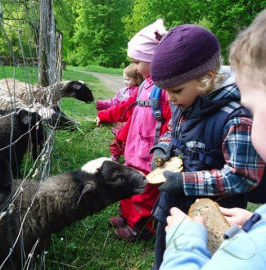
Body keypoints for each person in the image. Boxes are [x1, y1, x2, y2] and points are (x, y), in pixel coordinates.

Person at [148, 23, 266, 269]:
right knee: (165, 256)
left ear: (207, 78)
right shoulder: (184, 102)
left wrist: (184, 182)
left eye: (176, 90)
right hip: (174, 208)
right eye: (166, 91)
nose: (170, 98)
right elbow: (172, 131)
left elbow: (242, 177)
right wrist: (162, 147)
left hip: (216, 219)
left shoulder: (236, 117)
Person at [96, 19, 172, 240]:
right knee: (127, 185)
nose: (136, 67)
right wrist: (107, 118)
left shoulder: (165, 91)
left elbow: (170, 123)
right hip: (134, 151)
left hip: (150, 155)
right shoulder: (144, 88)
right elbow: (127, 111)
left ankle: (140, 228)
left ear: (153, 59)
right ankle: (126, 216)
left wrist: (163, 151)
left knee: (144, 193)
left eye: (138, 61)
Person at [96, 64, 143, 161]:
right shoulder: (123, 91)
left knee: (127, 142)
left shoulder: (139, 92)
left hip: (129, 124)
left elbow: (128, 108)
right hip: (119, 123)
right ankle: (115, 157)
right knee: (118, 140)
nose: (125, 82)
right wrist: (101, 104)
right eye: (124, 79)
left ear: (137, 78)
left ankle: (129, 158)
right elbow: (114, 102)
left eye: (128, 79)